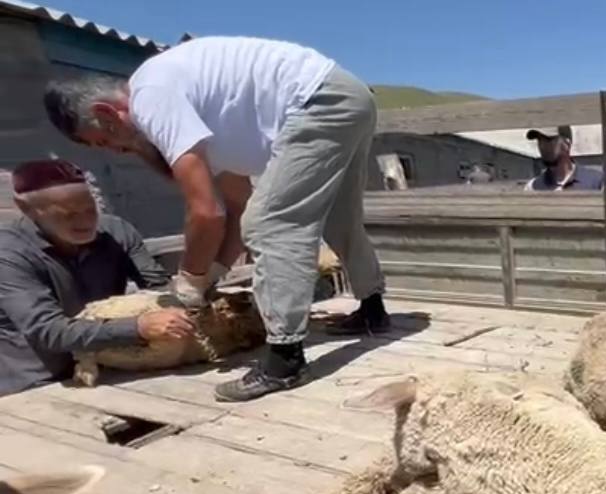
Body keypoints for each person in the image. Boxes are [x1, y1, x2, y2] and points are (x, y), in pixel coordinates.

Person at [43, 35, 391, 402]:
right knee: (339, 214)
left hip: (318, 101)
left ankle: (285, 360)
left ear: (106, 114)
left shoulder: (150, 98)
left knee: (270, 224)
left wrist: (190, 283)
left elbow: (206, 212)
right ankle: (373, 308)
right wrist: (216, 273)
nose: (115, 151)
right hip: (347, 96)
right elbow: (236, 204)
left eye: (102, 141)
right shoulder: (197, 111)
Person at [0, 159, 185, 396]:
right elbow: (49, 331)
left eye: (89, 209)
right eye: (68, 215)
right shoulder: (9, 254)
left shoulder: (116, 232)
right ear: (27, 209)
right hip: (37, 385)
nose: (84, 221)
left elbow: (159, 289)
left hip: (112, 367)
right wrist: (138, 328)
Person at [524, 126, 604, 191]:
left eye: (548, 140)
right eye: (540, 140)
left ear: (566, 144)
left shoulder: (597, 182)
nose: (542, 146)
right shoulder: (533, 188)